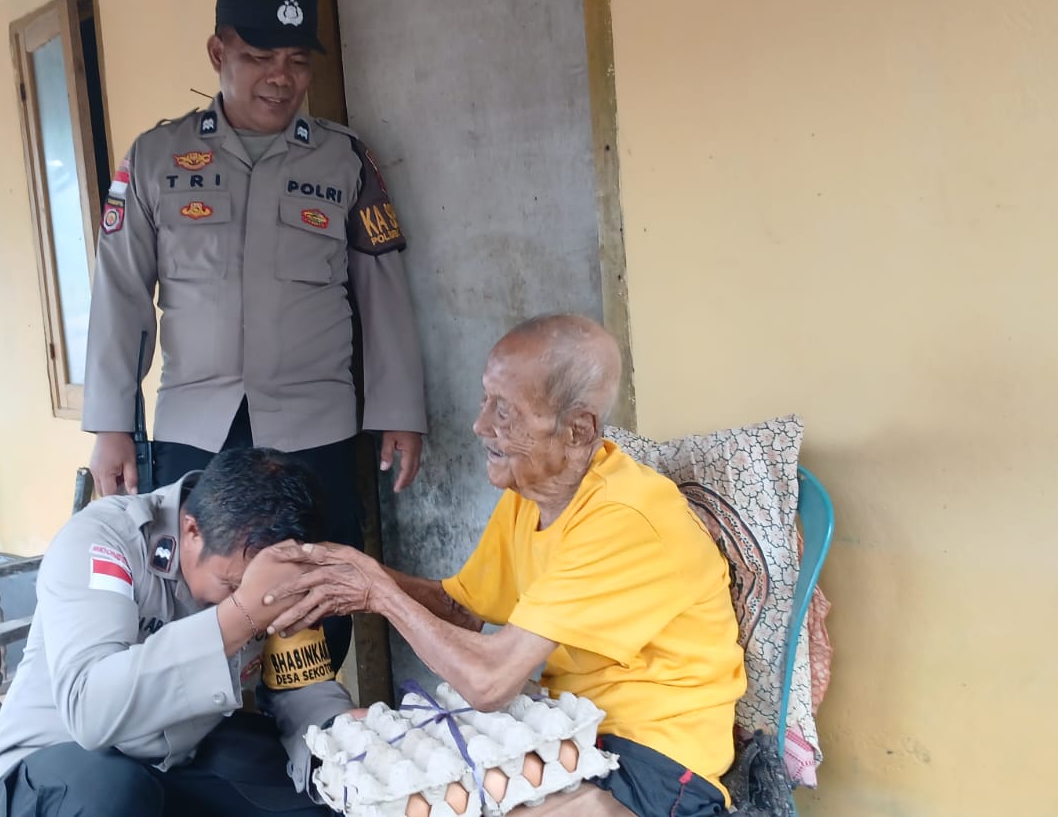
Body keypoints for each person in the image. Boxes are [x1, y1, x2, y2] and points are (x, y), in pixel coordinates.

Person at [263, 315, 748, 817]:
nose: (480, 426)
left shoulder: (623, 519)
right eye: (484, 399)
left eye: (506, 412)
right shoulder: (531, 494)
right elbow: (460, 608)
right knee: (363, 731)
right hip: (571, 726)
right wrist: (354, 574)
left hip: (656, 761)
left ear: (578, 430)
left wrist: (378, 593)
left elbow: (491, 684)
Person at [83, 0, 428, 669]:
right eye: (258, 56)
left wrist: (400, 412)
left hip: (315, 425)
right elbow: (120, 291)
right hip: (194, 426)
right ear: (219, 52)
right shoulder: (156, 159)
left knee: (315, 589)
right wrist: (111, 426)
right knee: (192, 594)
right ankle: (210, 737)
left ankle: (311, 735)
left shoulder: (345, 160)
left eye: (299, 61)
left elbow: (383, 289)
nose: (281, 77)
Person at [0, 447, 354, 817]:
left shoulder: (276, 561)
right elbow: (89, 711)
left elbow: (301, 687)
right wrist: (240, 616)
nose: (253, 601)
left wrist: (345, 737)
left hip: (179, 755)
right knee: (113, 795)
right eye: (233, 586)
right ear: (191, 530)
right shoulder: (106, 539)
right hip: (52, 760)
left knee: (325, 791)